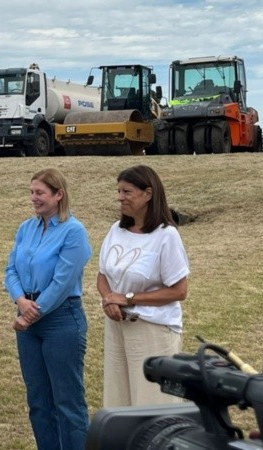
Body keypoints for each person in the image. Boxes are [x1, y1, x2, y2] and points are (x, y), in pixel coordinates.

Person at [4, 168, 92, 450]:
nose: (33, 198)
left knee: (68, 404)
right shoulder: (25, 228)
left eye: (40, 193)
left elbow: (62, 282)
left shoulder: (74, 232)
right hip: (28, 322)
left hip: (61, 321)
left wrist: (30, 314)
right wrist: (20, 301)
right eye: (31, 192)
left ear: (58, 195)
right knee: (39, 403)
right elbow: (10, 270)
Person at [97, 165, 189, 407]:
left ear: (148, 194)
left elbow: (179, 291)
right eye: (118, 191)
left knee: (152, 404)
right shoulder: (116, 231)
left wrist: (127, 298)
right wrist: (109, 300)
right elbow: (102, 276)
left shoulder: (166, 236)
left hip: (153, 331)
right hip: (117, 326)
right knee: (118, 402)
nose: (120, 197)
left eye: (127, 191)